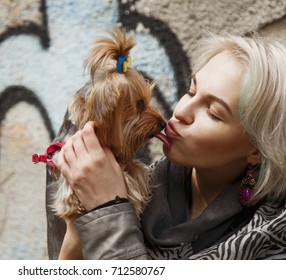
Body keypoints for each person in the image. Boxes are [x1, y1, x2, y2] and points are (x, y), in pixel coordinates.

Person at [54, 34, 286, 259]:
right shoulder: (139, 186)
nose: (180, 112)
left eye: (213, 113)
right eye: (191, 91)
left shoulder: (273, 235)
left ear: (257, 149)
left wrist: (107, 210)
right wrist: (80, 222)